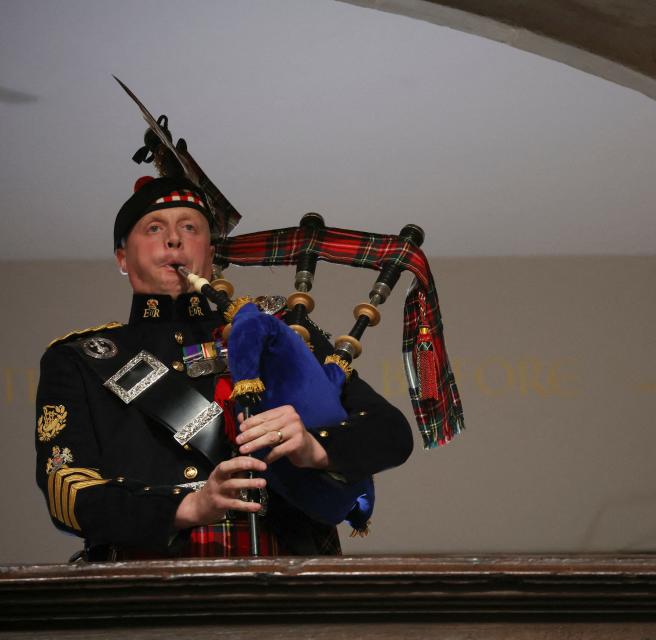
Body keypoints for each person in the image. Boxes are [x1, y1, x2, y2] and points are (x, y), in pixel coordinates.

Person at [34, 176, 413, 559]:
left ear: (210, 253)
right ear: (122, 258)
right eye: (154, 228)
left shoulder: (270, 329)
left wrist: (315, 448)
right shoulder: (80, 358)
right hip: (148, 587)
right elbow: (65, 488)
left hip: (292, 579)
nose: (174, 240)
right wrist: (189, 507)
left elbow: (389, 431)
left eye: (189, 227)